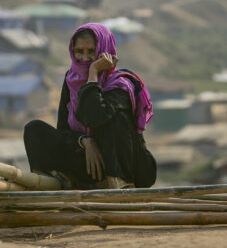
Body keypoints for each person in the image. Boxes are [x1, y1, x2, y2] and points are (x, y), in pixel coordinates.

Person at [24, 23, 156, 189]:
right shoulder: (71, 80)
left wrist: (93, 73)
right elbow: (63, 129)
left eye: (92, 52)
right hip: (88, 162)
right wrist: (85, 141)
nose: (84, 58)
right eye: (79, 52)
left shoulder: (120, 84)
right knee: (33, 129)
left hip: (123, 165)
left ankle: (118, 180)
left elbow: (93, 117)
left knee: (113, 118)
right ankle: (55, 179)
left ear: (105, 52)